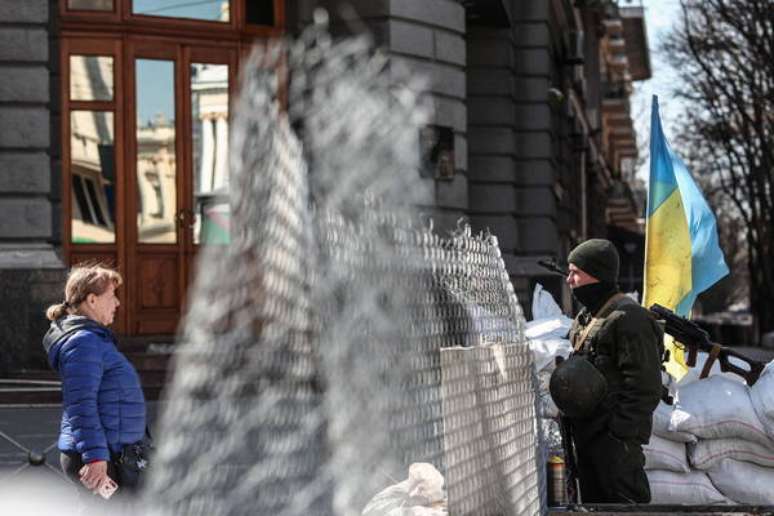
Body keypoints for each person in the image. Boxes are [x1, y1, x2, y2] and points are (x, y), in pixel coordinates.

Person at [553, 239, 663, 504]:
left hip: (615, 443)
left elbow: (645, 387)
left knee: (624, 505)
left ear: (597, 274)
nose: (569, 280)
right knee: (594, 505)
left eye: (575, 272)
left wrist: (619, 433)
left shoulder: (628, 318)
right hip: (588, 435)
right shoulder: (587, 318)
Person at [42, 264, 147, 505]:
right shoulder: (84, 343)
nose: (118, 303)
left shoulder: (93, 339)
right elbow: (81, 405)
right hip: (98, 458)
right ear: (92, 300)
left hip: (107, 452)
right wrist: (96, 458)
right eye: (112, 296)